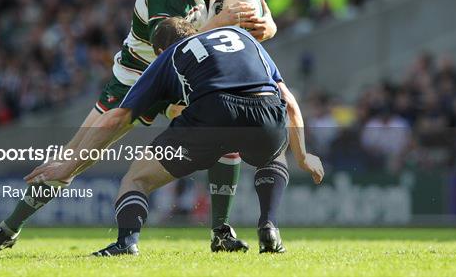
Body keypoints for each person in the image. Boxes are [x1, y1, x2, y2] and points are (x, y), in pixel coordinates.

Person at [0, 0, 277, 254]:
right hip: (137, 79)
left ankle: (221, 231)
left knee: (224, 135)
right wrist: (223, 22)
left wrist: (267, 25)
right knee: (76, 156)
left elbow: (263, 26)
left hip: (184, 81)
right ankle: (11, 226)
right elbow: (175, 46)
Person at [23, 18, 324, 255]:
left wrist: (67, 166)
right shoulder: (241, 36)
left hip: (212, 110)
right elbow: (289, 100)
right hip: (266, 107)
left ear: (158, 51)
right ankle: (268, 225)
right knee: (273, 155)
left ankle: (127, 242)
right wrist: (303, 156)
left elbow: (116, 118)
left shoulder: (167, 58)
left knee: (136, 179)